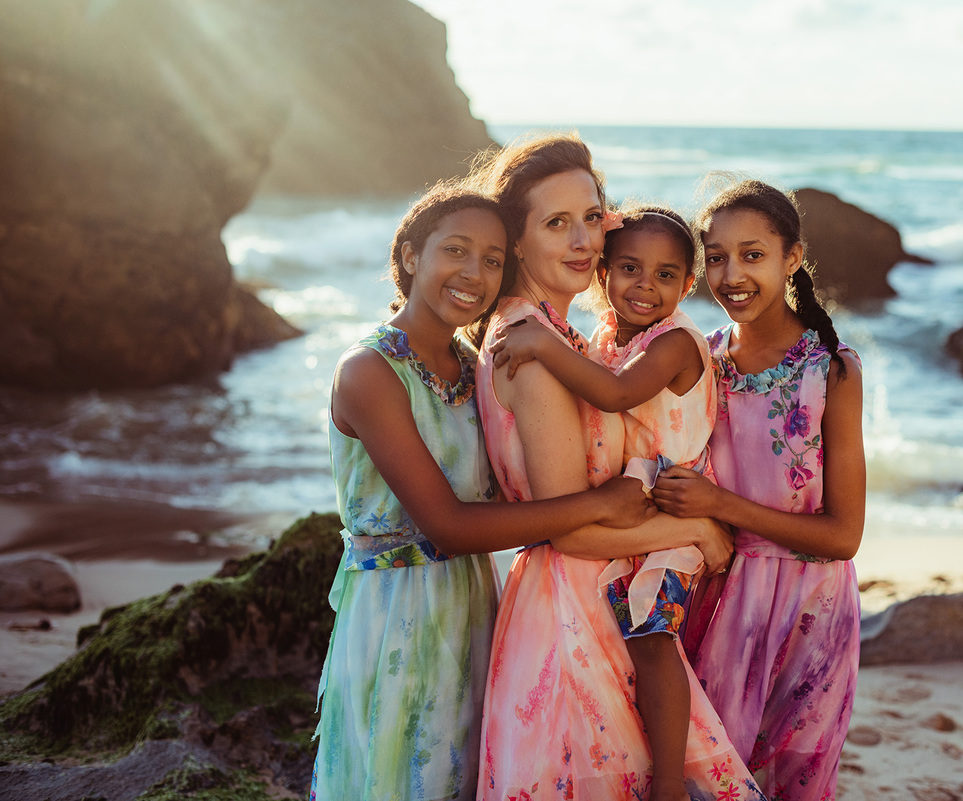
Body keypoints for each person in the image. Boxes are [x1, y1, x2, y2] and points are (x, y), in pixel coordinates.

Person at [309, 183, 653, 801]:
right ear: (411, 256)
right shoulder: (369, 371)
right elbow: (449, 525)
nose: (474, 273)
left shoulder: (476, 368)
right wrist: (601, 504)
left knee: (468, 776)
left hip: (474, 606)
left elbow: (510, 500)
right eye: (456, 250)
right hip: (394, 617)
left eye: (493, 260)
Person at [470, 134, 764, 801]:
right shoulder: (532, 347)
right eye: (556, 223)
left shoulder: (559, 337)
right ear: (516, 240)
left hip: (594, 593)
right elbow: (571, 528)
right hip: (569, 607)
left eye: (590, 216)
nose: (583, 241)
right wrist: (697, 530)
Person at [489, 204, 716, 801]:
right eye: (630, 268)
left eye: (666, 275)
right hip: (640, 497)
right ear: (605, 272)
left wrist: (542, 344)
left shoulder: (675, 343)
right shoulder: (609, 337)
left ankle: (669, 782)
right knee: (634, 640)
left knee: (653, 639)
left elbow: (614, 395)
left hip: (676, 496)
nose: (646, 285)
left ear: (687, 285)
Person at [652, 180, 866, 800]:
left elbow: (843, 536)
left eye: (752, 255)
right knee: (710, 775)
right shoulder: (700, 361)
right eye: (716, 257)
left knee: (796, 779)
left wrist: (719, 506)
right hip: (719, 597)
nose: (732, 275)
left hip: (810, 609)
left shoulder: (830, 368)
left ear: (791, 257)